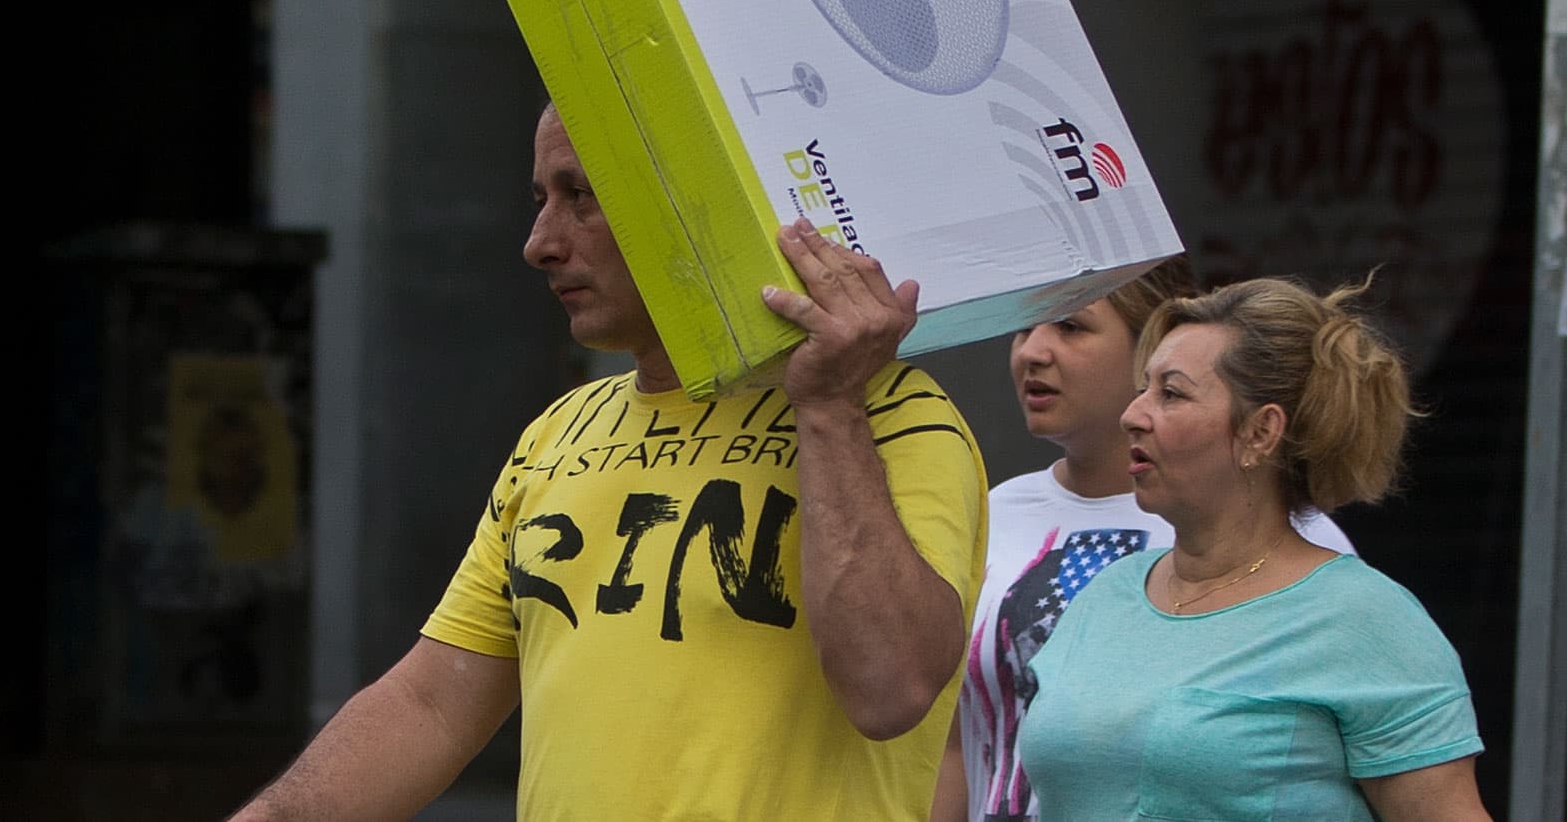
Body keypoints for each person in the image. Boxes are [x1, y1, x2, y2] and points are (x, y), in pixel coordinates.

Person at [230, 106, 989, 821]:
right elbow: (431, 703)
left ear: (698, 196)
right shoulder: (560, 432)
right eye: (539, 198)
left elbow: (891, 689)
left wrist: (827, 406)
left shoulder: (892, 416)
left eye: (581, 196)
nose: (539, 242)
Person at [1016, 277, 1489, 821]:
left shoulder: (1363, 619)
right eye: (1142, 388)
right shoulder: (1107, 595)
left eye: (1171, 393)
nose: (1133, 414)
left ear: (1260, 433)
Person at [932, 258, 1354, 822]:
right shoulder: (993, 514)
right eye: (1023, 328)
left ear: (1153, 347)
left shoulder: (1284, 539)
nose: (1031, 351)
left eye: (1071, 327)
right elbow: (956, 743)